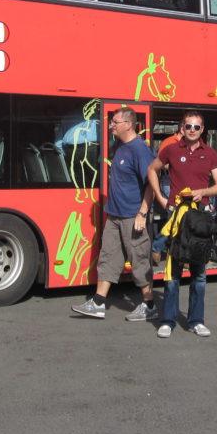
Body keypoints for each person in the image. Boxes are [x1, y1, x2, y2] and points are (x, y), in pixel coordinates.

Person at [72, 107, 157, 322]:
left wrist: (142, 213)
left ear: (128, 124)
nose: (111, 125)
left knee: (139, 260)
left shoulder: (140, 150)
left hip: (132, 216)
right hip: (114, 215)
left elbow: (151, 184)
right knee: (108, 258)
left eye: (115, 122)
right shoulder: (119, 146)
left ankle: (149, 305)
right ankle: (98, 303)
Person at [147, 111, 217, 338]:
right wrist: (160, 198)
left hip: (199, 219)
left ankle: (196, 321)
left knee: (199, 274)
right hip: (176, 218)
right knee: (173, 273)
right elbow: (152, 169)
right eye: (188, 126)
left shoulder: (210, 153)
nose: (192, 130)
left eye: (196, 127)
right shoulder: (171, 150)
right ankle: (168, 321)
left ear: (202, 130)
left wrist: (204, 192)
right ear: (182, 128)